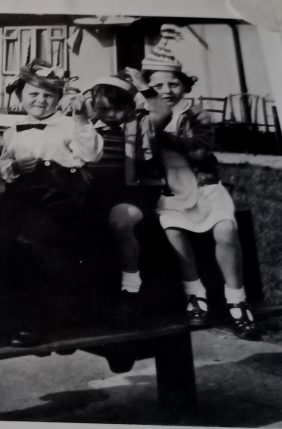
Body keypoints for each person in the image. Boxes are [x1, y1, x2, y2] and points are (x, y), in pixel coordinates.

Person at [141, 25, 260, 339]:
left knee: (226, 228)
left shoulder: (197, 114)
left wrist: (163, 137)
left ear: (185, 86)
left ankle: (237, 299)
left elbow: (199, 150)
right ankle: (196, 293)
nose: (167, 91)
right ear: (149, 91)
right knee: (173, 230)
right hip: (172, 192)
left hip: (204, 187)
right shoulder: (146, 117)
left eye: (174, 84)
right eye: (158, 86)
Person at [0, 60, 103, 346]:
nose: (40, 100)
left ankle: (38, 320)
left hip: (60, 196)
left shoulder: (69, 124)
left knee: (33, 241)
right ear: (20, 97)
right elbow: (2, 163)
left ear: (58, 98)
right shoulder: (14, 128)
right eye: (33, 94)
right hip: (22, 195)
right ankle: (3, 314)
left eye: (48, 95)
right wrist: (10, 165)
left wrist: (80, 119)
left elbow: (91, 154)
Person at [86, 68, 171, 319]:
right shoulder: (90, 127)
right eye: (103, 110)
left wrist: (143, 85)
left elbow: (164, 112)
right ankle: (87, 290)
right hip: (96, 192)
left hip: (132, 192)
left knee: (120, 219)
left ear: (130, 105)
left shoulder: (142, 123)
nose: (110, 115)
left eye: (117, 109)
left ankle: (131, 287)